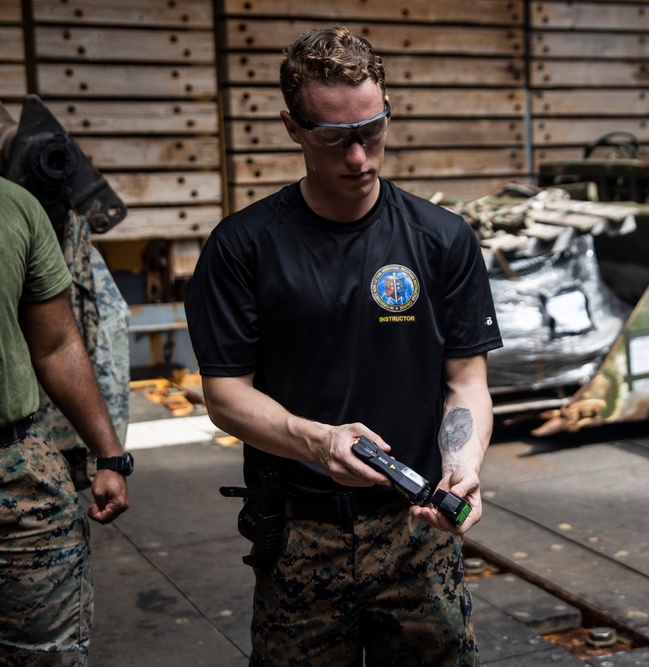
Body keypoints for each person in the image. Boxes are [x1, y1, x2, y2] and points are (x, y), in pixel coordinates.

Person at [184, 26, 502, 667]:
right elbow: (223, 395)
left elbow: (465, 381)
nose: (358, 157)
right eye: (334, 137)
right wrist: (318, 440)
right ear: (292, 127)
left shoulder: (442, 240)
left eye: (372, 131)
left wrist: (462, 464)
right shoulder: (244, 247)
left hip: (416, 530)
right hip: (302, 534)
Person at [0, 175, 132, 665]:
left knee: (46, 655)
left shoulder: (15, 206)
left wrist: (110, 455)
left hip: (16, 471)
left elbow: (56, 344)